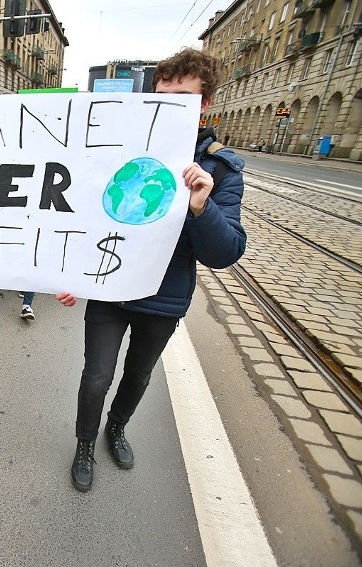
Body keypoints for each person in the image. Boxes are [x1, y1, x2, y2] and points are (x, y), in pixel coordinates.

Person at [56, 48, 247, 493]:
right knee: (96, 374)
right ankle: (85, 442)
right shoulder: (121, 147)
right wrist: (69, 274)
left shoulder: (219, 169)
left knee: (138, 375)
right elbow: (83, 215)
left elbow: (226, 252)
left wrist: (201, 207)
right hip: (111, 287)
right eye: (161, 96)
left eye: (181, 97)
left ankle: (116, 428)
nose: (167, 105)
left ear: (204, 105)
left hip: (163, 298)